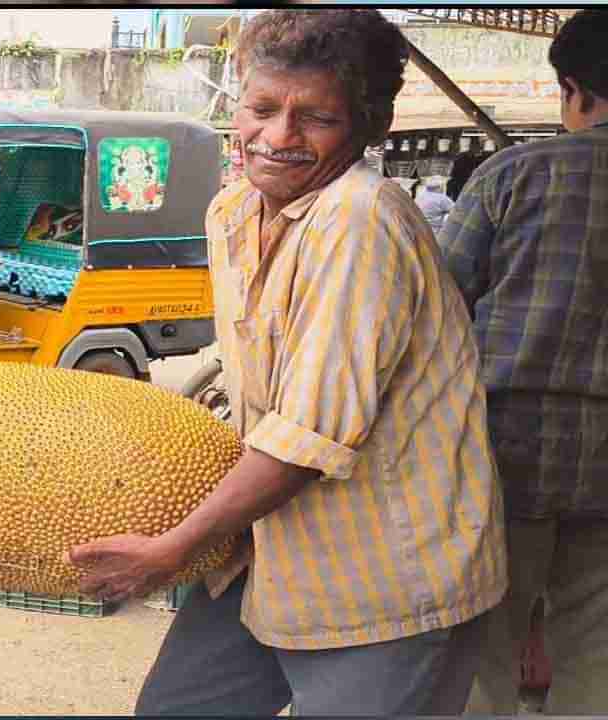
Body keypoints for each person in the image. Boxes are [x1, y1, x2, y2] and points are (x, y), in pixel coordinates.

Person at [69, 10, 506, 716]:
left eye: (316, 119)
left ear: (368, 126)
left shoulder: (361, 219)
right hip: (265, 550)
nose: (277, 137)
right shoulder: (234, 210)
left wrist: (172, 548)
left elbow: (306, 435)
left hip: (385, 574)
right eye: (262, 109)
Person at [439, 9, 608, 715]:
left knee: (486, 649)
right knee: (596, 651)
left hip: (503, 447)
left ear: (573, 89)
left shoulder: (512, 175)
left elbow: (437, 313)